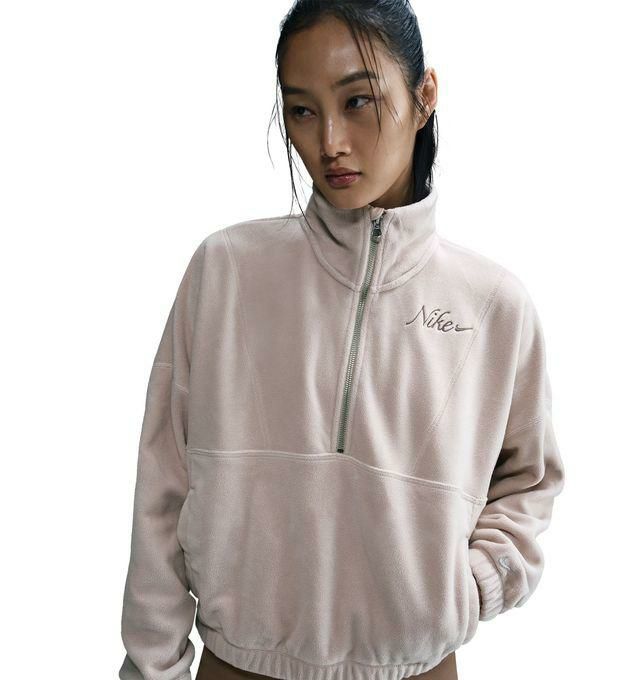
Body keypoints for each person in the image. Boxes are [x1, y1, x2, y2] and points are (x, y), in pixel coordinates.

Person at [118, 1, 566, 679]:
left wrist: (474, 586)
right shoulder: (227, 270)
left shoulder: (493, 304)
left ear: (425, 96)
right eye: (302, 110)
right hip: (237, 665)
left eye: (358, 101)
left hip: (415, 669)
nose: (329, 141)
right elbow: (162, 485)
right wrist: (152, 668)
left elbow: (528, 482)